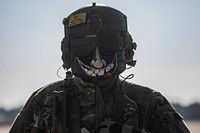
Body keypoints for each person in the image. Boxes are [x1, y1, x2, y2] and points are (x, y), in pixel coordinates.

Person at [9, 3, 191, 133]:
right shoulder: (44, 100)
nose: (97, 61)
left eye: (109, 44)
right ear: (68, 51)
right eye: (84, 46)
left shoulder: (149, 102)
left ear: (125, 47)